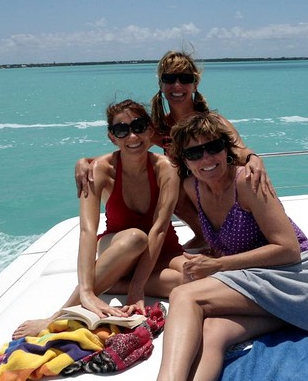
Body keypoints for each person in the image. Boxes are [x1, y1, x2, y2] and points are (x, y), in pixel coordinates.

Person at [83, 112, 308, 381]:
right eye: (193, 153)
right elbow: (133, 152)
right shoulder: (192, 187)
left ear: (227, 150)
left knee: (186, 296)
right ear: (183, 160)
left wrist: (219, 264)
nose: (205, 159)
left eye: (212, 148)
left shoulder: (246, 181)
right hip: (261, 287)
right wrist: (87, 161)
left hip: (296, 282)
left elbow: (288, 249)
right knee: (212, 331)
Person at [12, 100, 185, 340]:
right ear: (112, 137)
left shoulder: (166, 169)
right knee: (136, 238)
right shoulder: (100, 170)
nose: (132, 135)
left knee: (190, 278)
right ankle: (59, 315)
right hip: (119, 245)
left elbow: (159, 230)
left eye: (139, 126)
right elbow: (87, 230)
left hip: (160, 249)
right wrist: (85, 291)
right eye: (122, 130)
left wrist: (136, 290)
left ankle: (117, 283)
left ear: (150, 130)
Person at [74, 50, 272, 248]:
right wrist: (88, 162)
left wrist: (253, 158)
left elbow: (240, 150)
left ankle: (222, 236)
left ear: (195, 84)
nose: (177, 85)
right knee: (171, 184)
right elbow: (127, 150)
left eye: (185, 78)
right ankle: (205, 236)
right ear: (161, 85)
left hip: (223, 192)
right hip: (192, 195)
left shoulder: (212, 122)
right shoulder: (159, 129)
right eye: (169, 78)